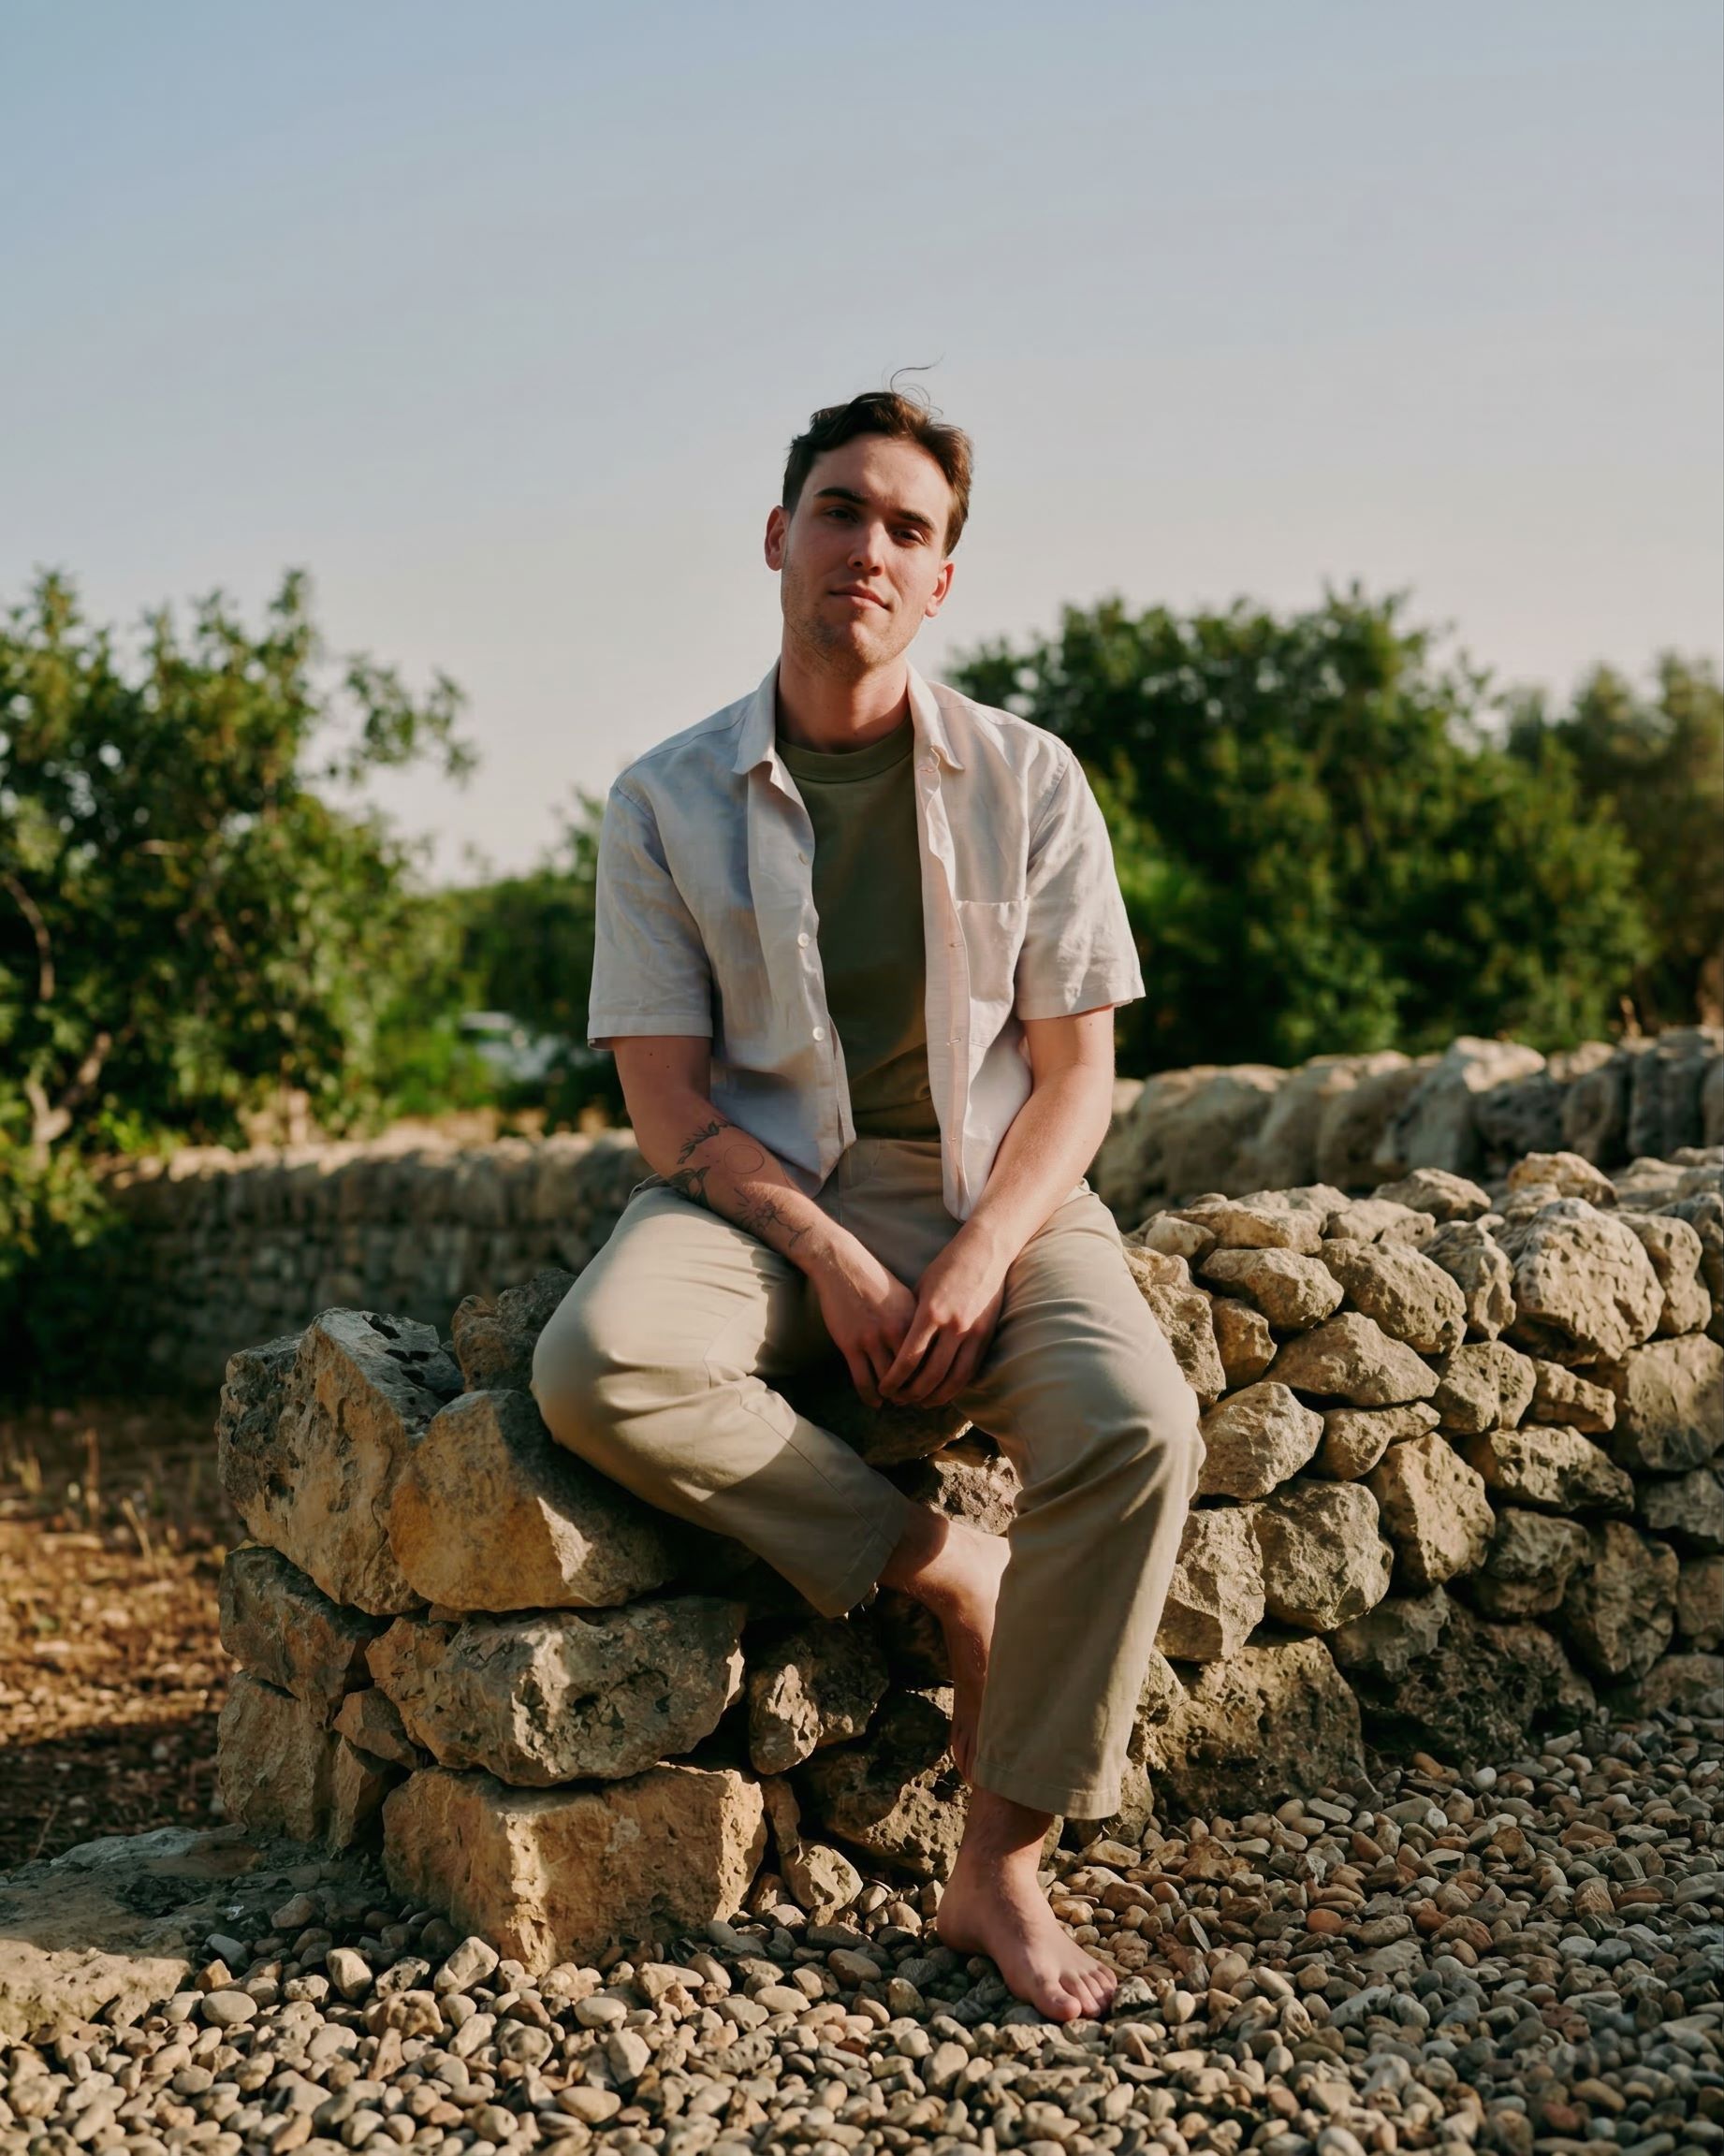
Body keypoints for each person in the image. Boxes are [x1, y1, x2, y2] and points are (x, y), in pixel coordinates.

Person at [532, 387, 1204, 2022]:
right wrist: (829, 1255)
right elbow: (669, 1109)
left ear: (941, 579)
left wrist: (979, 1254)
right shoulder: (664, 799)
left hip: (994, 1189)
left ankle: (1000, 1866)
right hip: (762, 1198)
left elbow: (1075, 1079)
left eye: (910, 528)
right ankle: (950, 1569)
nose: (869, 548)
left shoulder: (1029, 779)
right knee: (596, 1366)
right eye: (841, 510)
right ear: (779, 538)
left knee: (1138, 1431)